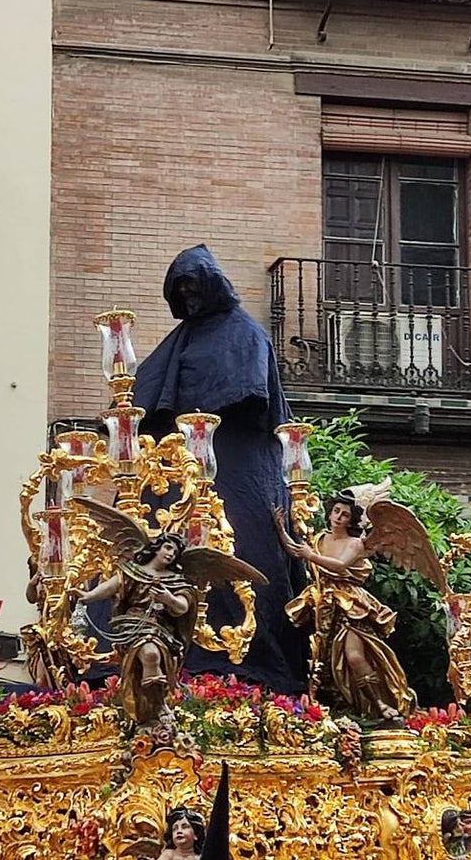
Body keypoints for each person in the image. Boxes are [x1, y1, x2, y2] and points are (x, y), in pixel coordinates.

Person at [133, 244, 308, 693]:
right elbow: (147, 398)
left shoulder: (245, 334)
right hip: (176, 475)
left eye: (194, 285)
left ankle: (248, 661)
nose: (189, 296)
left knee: (243, 556)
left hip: (239, 469)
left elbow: (254, 397)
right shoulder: (179, 343)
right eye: (181, 289)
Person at [276, 491, 417, 724]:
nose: (339, 517)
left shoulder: (355, 543)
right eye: (336, 511)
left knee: (353, 656)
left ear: (351, 520)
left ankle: (381, 704)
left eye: (345, 514)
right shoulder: (320, 538)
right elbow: (297, 551)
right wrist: (280, 530)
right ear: (330, 512)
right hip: (325, 606)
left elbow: (340, 566)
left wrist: (311, 555)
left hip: (351, 605)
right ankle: (349, 707)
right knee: (328, 662)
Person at [72, 532, 197, 724]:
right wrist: (88, 596)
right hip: (133, 624)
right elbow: (110, 587)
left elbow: (183, 606)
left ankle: (154, 708)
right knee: (150, 655)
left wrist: (168, 599)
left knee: (155, 656)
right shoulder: (133, 571)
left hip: (162, 628)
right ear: (157, 547)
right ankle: (156, 708)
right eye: (168, 547)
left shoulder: (175, 580)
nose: (171, 554)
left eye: (176, 552)